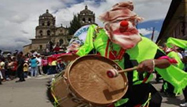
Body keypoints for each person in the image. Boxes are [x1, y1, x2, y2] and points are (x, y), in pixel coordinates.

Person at [58, 1, 187, 107]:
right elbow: (87, 60)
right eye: (118, 21)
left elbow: (165, 61)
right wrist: (75, 57)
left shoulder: (145, 43)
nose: (124, 24)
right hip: (103, 92)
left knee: (153, 101)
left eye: (128, 21)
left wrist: (153, 62)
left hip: (137, 93)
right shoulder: (99, 41)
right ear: (109, 24)